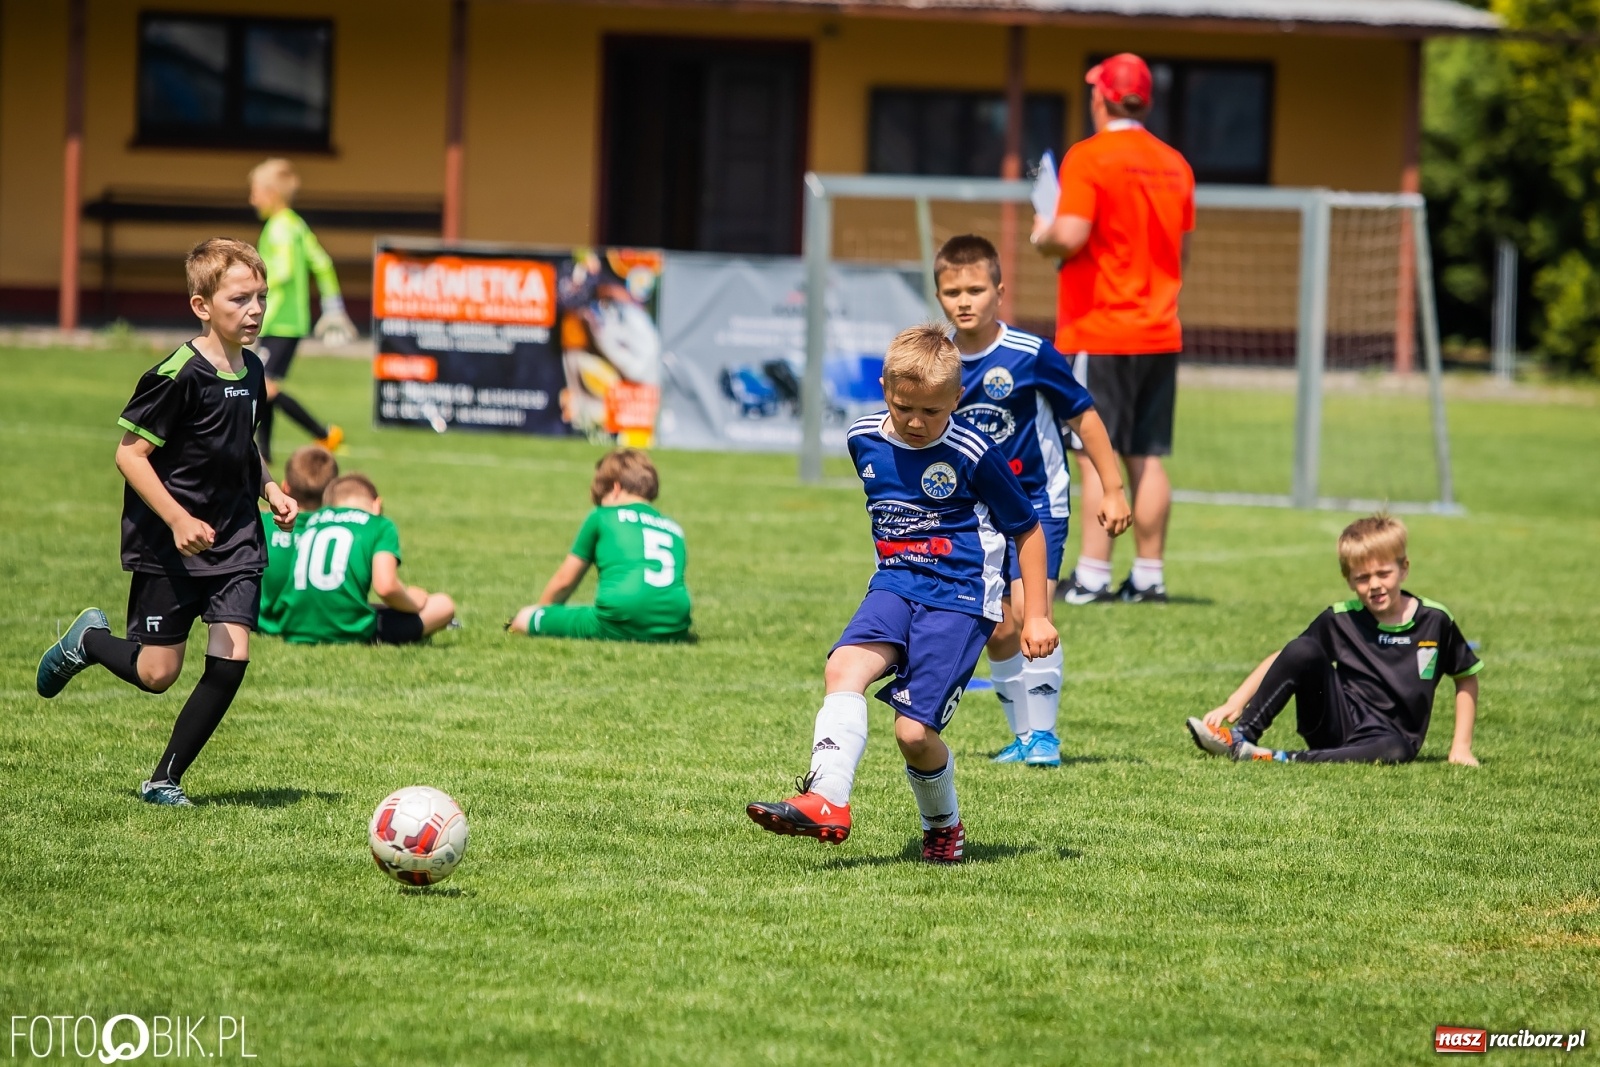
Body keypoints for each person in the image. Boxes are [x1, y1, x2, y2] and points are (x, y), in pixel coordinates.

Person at [745, 325, 1055, 864]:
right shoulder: (862, 436)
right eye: (904, 406)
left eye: (933, 412)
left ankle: (944, 826)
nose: (916, 422)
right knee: (842, 669)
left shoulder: (972, 450)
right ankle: (827, 799)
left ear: (957, 400)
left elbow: (1026, 529)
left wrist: (1035, 617)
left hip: (960, 598)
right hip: (893, 583)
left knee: (913, 734)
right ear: (885, 386)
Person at [34, 239, 298, 807]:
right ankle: (89, 640)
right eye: (240, 299)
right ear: (202, 306)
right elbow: (130, 455)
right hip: (172, 544)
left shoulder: (252, 370)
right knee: (157, 674)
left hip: (234, 539)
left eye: (261, 298)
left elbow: (240, 444)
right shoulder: (176, 373)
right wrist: (178, 519)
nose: (254, 310)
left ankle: (164, 779)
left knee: (231, 661)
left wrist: (269, 487)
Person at [934, 234, 1132, 766]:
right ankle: (1024, 736)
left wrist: (1112, 488)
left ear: (1001, 289)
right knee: (996, 627)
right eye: (952, 291)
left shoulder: (1029, 354)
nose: (965, 301)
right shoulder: (940, 361)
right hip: (976, 513)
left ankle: (1045, 738)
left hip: (1039, 502)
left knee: (1028, 610)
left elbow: (1084, 417)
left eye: (976, 288)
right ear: (939, 297)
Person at [1032, 53, 1196, 605]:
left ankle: (1093, 576)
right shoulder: (1175, 163)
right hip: (1159, 328)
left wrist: (1042, 233)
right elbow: (1183, 250)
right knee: (1145, 455)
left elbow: (1071, 234)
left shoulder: (1089, 157)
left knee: (1093, 452)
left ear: (1100, 97)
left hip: (1099, 327)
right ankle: (1148, 577)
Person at [1186, 515, 1481, 765]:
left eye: (1383, 573)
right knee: (1303, 648)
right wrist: (1234, 701)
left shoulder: (1435, 620)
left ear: (1404, 568)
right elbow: (1287, 657)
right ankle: (1242, 737)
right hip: (1336, 723)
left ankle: (1277, 757)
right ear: (1349, 579)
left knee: (1397, 750)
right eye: (1363, 577)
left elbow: (1465, 677)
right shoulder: (1340, 618)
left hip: (1391, 737)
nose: (1374, 585)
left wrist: (1461, 746)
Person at [507, 449, 691, 642]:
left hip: (619, 619)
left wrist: (542, 612)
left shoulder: (602, 516)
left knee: (522, 618)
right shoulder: (673, 528)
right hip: (676, 625)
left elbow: (564, 581)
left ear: (615, 489)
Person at [249, 158, 354, 463]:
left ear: (270, 193)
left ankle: (323, 433)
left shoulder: (279, 229)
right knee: (262, 385)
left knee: (264, 386)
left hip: (278, 321)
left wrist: (251, 292)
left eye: (254, 191)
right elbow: (322, 262)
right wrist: (333, 306)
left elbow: (279, 272)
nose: (251, 199)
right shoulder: (296, 224)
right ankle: (263, 452)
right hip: (292, 321)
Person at [273, 474, 456, 645]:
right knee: (443, 604)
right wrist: (414, 600)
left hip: (293, 624)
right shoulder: (379, 524)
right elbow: (386, 587)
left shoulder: (314, 519)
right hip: (347, 629)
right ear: (377, 505)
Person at [258, 444, 338, 637]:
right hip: (318, 623)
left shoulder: (262, 522)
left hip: (259, 621)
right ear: (332, 493)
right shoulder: (338, 530)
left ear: (285, 487)